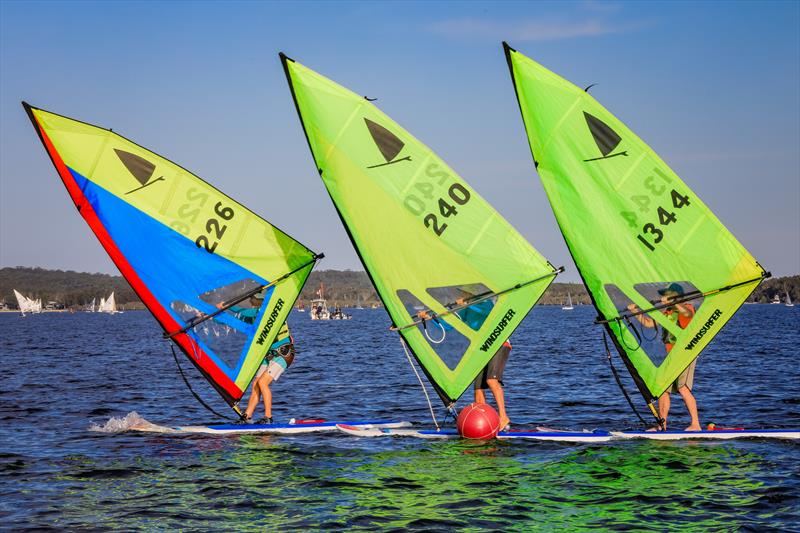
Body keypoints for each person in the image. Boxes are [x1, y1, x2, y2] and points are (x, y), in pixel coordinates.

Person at [417, 295, 512, 431]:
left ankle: (503, 417)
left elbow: (486, 313)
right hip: (482, 349)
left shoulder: (485, 302)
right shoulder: (466, 309)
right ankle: (484, 423)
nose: (461, 296)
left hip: (498, 342)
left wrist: (467, 303)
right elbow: (449, 326)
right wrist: (429, 318)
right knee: (478, 390)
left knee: (491, 381)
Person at [627, 282, 700, 431]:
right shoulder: (666, 312)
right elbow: (649, 323)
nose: (663, 298)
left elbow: (687, 315)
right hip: (670, 356)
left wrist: (674, 303)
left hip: (685, 353)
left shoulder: (687, 308)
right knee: (663, 390)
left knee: (683, 388)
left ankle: (695, 424)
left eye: (667, 295)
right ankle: (662, 425)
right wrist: (637, 312)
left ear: (675, 296)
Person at [241, 321, 295, 424]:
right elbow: (243, 313)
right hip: (268, 355)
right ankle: (247, 416)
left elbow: (245, 312)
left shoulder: (273, 316)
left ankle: (268, 417)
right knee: (256, 383)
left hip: (283, 354)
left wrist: (223, 305)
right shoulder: (257, 315)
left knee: (262, 382)